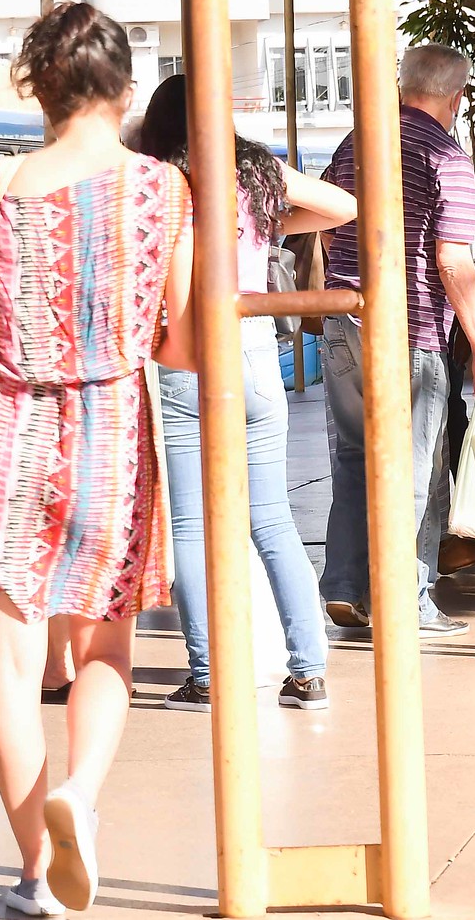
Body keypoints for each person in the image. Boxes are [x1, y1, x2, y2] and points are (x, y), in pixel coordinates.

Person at [0, 1, 196, 916]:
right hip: (110, 444)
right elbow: (183, 343)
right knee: (104, 644)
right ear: (123, 89)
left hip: (0, 441)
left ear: (37, 89)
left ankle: (38, 871)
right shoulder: (163, 189)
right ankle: (79, 790)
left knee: (8, 665)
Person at [134, 75, 356, 714]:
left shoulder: (159, 181)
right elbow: (345, 206)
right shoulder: (253, 169)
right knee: (271, 517)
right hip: (257, 347)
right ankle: (308, 668)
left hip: (187, 352)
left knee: (193, 525)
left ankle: (209, 674)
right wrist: (273, 221)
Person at [318, 44, 475, 637]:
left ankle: (344, 585)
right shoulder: (445, 156)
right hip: (410, 328)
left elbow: (320, 229)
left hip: (345, 321)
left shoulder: (353, 144)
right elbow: (452, 259)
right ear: (456, 97)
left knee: (351, 460)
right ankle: (409, 600)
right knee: (414, 470)